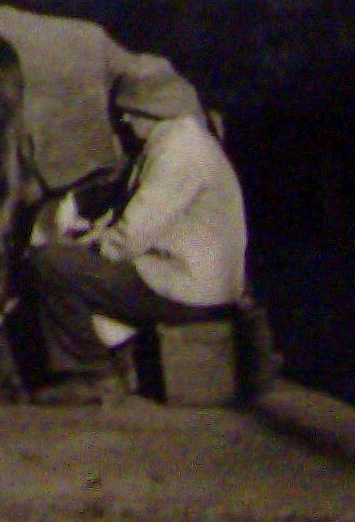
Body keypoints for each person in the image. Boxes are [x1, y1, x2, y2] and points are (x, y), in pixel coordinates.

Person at [27, 73, 246, 403]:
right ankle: (116, 362)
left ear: (155, 112)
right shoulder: (182, 141)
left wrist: (83, 249)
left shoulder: (178, 152)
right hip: (195, 279)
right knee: (82, 266)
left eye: (132, 111)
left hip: (188, 290)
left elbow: (132, 236)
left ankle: (92, 375)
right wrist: (94, 240)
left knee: (50, 263)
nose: (125, 120)